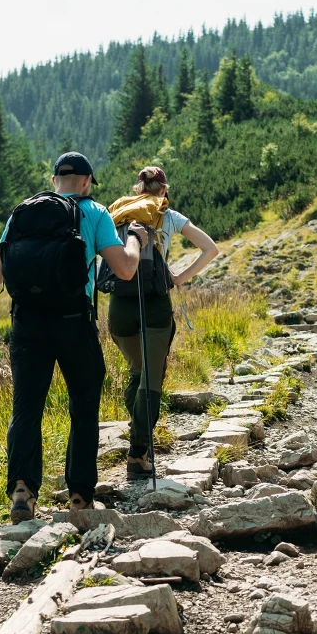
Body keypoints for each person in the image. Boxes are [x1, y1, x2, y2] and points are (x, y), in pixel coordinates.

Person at [0, 151, 149, 523]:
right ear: (87, 182)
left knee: (26, 408)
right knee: (83, 407)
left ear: (55, 179)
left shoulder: (22, 213)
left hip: (27, 325)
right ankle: (79, 496)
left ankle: (23, 490)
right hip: (74, 321)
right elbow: (123, 270)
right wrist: (135, 240)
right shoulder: (95, 212)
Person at [106, 166, 219, 479]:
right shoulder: (169, 216)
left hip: (120, 306)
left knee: (136, 371)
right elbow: (211, 249)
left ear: (137, 190)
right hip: (154, 304)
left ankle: (137, 431)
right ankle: (138, 454)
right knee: (151, 381)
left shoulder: (117, 213)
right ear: (163, 191)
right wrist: (179, 278)